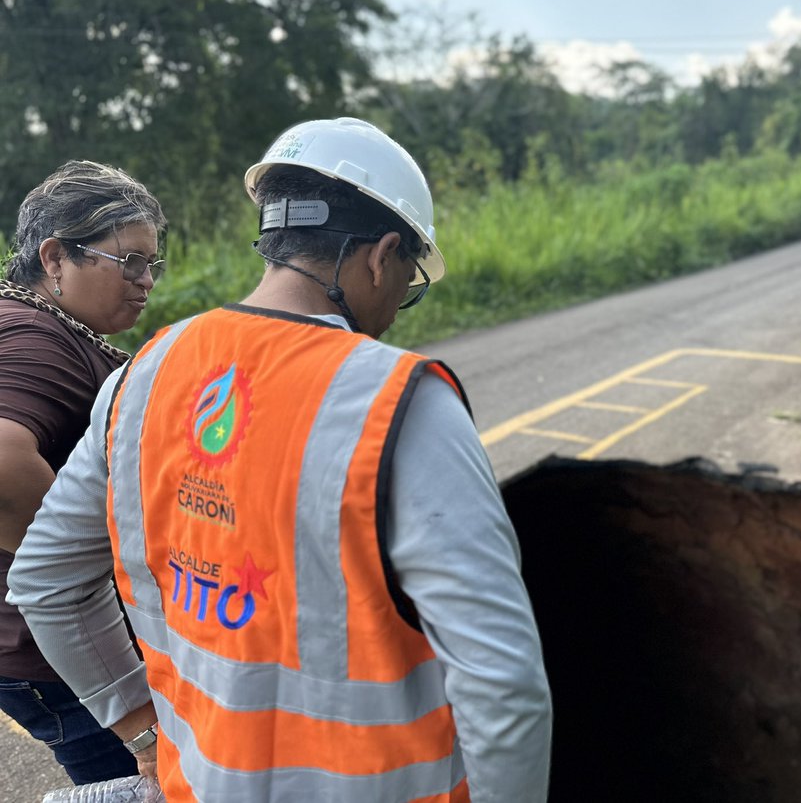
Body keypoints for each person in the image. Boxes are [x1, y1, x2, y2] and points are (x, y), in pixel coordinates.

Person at [9, 117, 553, 802]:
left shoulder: (143, 379)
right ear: (382, 256)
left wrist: (142, 731)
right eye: (408, 280)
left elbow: (44, 581)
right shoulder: (399, 402)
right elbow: (502, 680)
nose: (397, 305)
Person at [0, 160, 167, 784]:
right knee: (145, 783)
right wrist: (86, 564)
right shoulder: (33, 339)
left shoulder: (43, 329)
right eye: (129, 261)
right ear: (54, 259)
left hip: (42, 645)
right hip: (59, 651)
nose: (145, 279)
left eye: (151, 263)